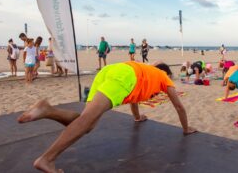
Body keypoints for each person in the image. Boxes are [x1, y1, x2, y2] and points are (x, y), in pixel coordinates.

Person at [17, 61, 197, 172]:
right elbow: (179, 106)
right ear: (167, 73)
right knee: (86, 121)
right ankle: (46, 159)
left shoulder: (147, 73)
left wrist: (137, 117)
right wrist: (186, 129)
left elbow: (134, 101)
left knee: (88, 123)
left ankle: (47, 110)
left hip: (108, 71)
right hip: (124, 76)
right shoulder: (164, 78)